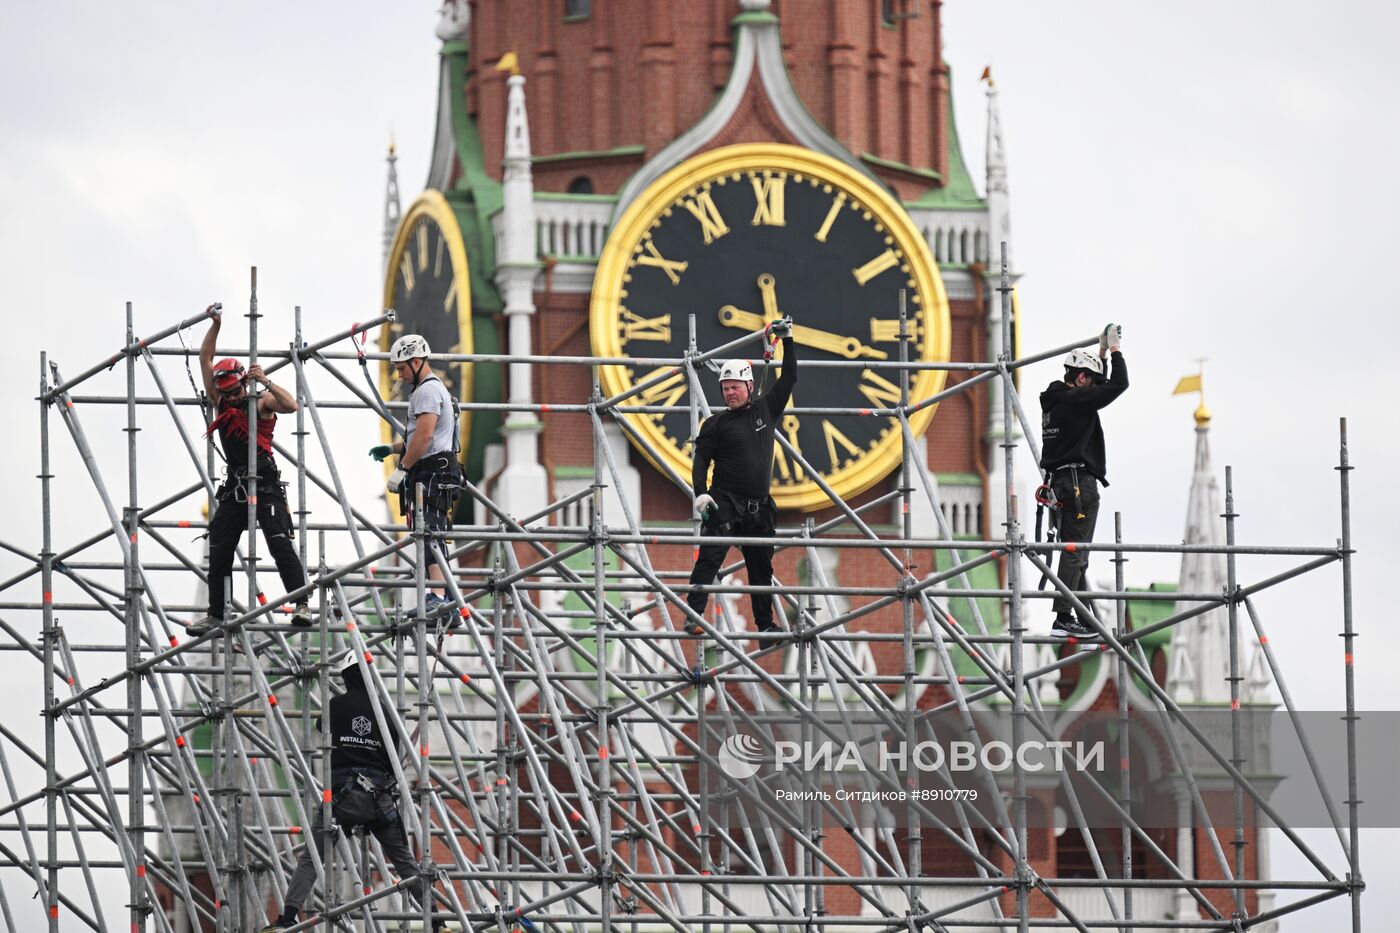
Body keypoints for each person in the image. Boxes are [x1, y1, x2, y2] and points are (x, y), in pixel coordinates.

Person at [260, 654, 450, 933]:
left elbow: (322, 728)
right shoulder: (385, 713)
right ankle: (438, 922)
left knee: (312, 859)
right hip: (378, 799)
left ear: (347, 678)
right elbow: (392, 758)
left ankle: (288, 918)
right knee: (407, 863)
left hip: (341, 799)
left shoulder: (336, 705)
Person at [189, 309, 310, 636]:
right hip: (237, 485)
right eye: (226, 392)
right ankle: (216, 613)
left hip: (266, 481)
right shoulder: (221, 402)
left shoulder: (259, 402)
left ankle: (301, 603)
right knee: (220, 543)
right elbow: (205, 357)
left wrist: (266, 380)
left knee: (278, 542)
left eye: (235, 390)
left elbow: (291, 405)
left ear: (244, 382)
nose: (231, 397)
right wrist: (216, 325)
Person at [686, 320, 796, 635]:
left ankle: (765, 626)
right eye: (725, 388)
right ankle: (693, 615)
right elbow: (701, 461)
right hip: (725, 500)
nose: (729, 393)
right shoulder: (715, 424)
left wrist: (788, 342)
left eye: (735, 387)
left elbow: (789, 377)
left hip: (759, 506)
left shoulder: (765, 410)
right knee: (709, 558)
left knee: (761, 568)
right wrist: (700, 493)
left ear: (749, 386)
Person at [1039, 326, 1128, 640]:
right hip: (1078, 485)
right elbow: (1119, 384)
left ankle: (1084, 620)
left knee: (1075, 557)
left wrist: (1100, 355)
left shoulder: (1058, 400)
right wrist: (1115, 350)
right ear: (1080, 379)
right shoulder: (1077, 401)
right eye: (1090, 378)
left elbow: (1099, 386)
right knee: (1075, 553)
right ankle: (1063, 617)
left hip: (1060, 485)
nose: (1093, 385)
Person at [368, 334, 461, 615]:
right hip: (436, 470)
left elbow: (424, 437)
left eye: (402, 367)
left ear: (417, 361)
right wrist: (394, 448)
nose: (399, 373)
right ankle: (441, 597)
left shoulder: (427, 392)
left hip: (433, 472)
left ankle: (439, 597)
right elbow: (422, 438)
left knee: (430, 533)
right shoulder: (429, 390)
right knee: (428, 534)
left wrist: (403, 468)